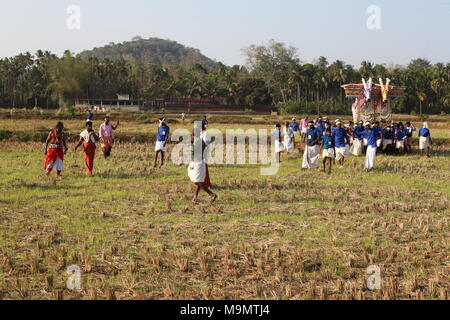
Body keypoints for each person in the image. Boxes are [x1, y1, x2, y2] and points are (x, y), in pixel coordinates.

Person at [188, 130, 217, 204]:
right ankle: (195, 198)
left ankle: (212, 194)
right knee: (198, 180)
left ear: (194, 135)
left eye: (191, 135)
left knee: (197, 181)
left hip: (197, 163)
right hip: (200, 162)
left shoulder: (196, 143)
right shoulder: (201, 142)